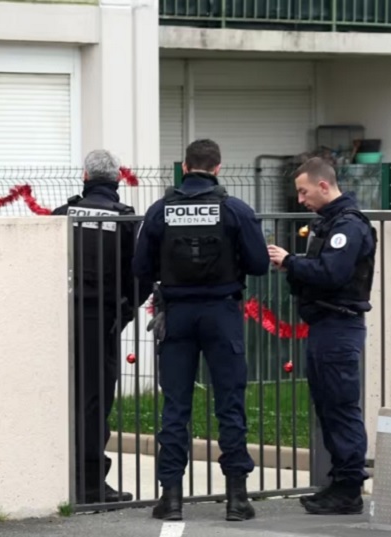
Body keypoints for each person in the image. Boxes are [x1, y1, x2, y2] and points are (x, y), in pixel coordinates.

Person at [132, 139, 270, 522]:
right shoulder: (234, 210)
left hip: (176, 315)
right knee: (230, 403)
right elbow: (259, 265)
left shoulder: (160, 210)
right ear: (218, 168)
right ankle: (237, 499)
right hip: (222, 314)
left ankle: (172, 498)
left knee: (176, 407)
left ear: (184, 166)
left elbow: (141, 266)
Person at [266, 156, 377, 516]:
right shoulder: (328, 224)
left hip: (339, 326)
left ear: (324, 186)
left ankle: (348, 488)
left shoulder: (349, 226)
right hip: (325, 326)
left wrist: (290, 262)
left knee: (341, 408)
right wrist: (298, 268)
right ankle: (339, 483)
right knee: (328, 406)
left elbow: (331, 273)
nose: (300, 200)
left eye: (304, 191)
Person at [52, 149, 150, 505]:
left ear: (85, 177)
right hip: (102, 320)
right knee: (95, 403)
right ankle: (91, 485)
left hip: (62, 319)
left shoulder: (62, 215)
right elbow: (139, 276)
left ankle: (59, 477)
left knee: (63, 398)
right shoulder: (124, 220)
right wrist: (122, 315)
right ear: (118, 180)